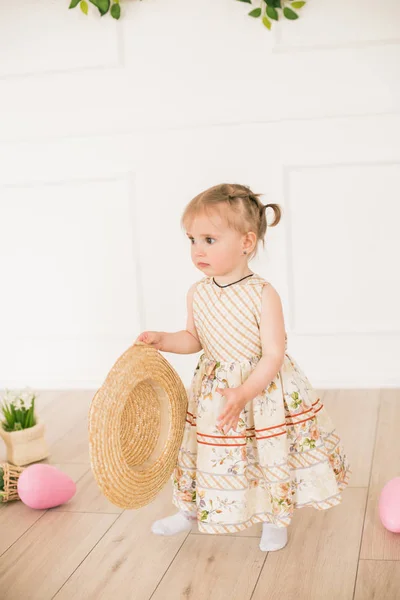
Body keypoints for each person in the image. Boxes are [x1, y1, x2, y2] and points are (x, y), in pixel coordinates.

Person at [136, 183, 351, 552]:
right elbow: (194, 337)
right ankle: (189, 511)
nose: (197, 250)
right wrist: (164, 339)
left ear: (246, 242)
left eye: (209, 239)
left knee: (263, 453)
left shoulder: (262, 293)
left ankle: (274, 519)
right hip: (217, 391)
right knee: (203, 452)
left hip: (261, 392)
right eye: (191, 240)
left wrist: (245, 391)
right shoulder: (198, 292)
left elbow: (273, 355)